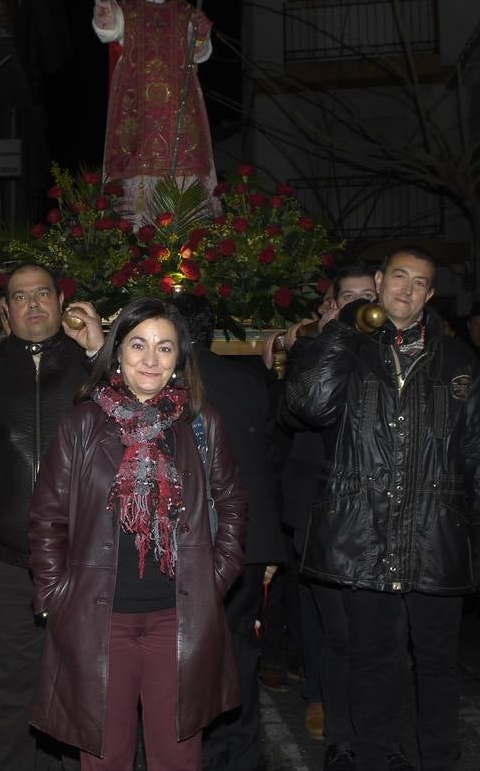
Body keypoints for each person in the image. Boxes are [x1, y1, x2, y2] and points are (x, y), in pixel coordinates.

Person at [280, 245, 480, 771]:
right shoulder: (346, 349)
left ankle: (439, 757)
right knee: (373, 662)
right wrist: (340, 329)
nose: (406, 289)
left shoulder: (459, 362)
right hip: (365, 534)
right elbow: (307, 405)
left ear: (430, 295)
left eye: (419, 282)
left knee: (436, 662)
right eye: (398, 277)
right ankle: (376, 755)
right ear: (381, 282)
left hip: (436, 536)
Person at [28, 297, 246, 770]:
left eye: (164, 348)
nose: (150, 359)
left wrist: (218, 577)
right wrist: (53, 594)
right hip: (98, 618)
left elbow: (231, 503)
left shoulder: (201, 425)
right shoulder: (82, 424)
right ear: (117, 352)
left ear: (178, 361)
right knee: (105, 757)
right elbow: (48, 517)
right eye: (138, 345)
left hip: (178, 618)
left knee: (177, 758)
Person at [0, 264, 105, 769]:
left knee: (82, 691)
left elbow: (144, 420)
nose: (32, 304)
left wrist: (99, 351)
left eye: (42, 293)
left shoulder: (96, 368)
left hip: (84, 560)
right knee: (6, 693)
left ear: (61, 300)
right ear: (4, 310)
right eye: (20, 296)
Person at [261, 263, 377, 761]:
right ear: (328, 307)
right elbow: (288, 415)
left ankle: (368, 714)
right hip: (315, 499)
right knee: (317, 607)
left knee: (368, 617)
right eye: (347, 297)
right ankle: (320, 698)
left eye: (367, 295)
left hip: (370, 501)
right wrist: (300, 350)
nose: (357, 306)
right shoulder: (314, 348)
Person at [171, 293, 279, 771]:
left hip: (194, 547)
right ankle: (246, 754)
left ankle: (208, 753)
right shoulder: (250, 380)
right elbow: (267, 461)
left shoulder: (168, 385)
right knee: (242, 652)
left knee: (196, 659)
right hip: (250, 543)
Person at [93, 0, 215, 214]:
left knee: (183, 190)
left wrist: (200, 34)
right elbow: (108, 30)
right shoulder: (129, 9)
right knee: (141, 190)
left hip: (177, 108)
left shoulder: (184, 10)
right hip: (138, 109)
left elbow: (198, 53)